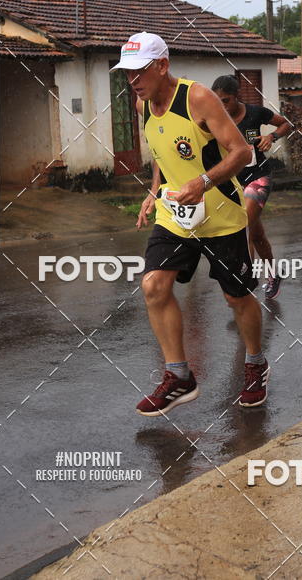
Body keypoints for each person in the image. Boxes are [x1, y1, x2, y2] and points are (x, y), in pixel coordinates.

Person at [110, 32, 269, 417]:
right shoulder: (142, 104)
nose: (132, 80)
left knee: (236, 298)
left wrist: (203, 182)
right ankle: (179, 376)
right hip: (175, 214)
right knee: (153, 286)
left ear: (162, 65)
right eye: (127, 73)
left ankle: (255, 363)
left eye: (139, 71)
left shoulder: (197, 97)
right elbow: (161, 153)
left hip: (219, 213)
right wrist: (154, 190)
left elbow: (241, 151)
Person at [211, 75, 290, 299]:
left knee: (242, 225)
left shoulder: (255, 113)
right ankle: (273, 274)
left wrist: (271, 136)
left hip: (258, 177)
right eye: (217, 102)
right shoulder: (214, 119)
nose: (222, 106)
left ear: (237, 96)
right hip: (233, 182)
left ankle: (245, 283)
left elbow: (285, 124)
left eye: (226, 101)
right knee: (256, 234)